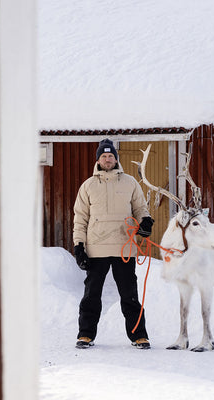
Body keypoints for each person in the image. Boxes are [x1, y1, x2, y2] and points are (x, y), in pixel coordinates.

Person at [73, 139, 154, 350]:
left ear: (116, 159)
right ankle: (85, 335)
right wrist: (79, 246)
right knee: (92, 295)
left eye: (111, 156)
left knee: (129, 295)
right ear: (98, 159)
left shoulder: (129, 183)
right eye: (104, 156)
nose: (107, 159)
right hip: (96, 248)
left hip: (124, 247)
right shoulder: (88, 186)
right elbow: (80, 218)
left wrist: (145, 222)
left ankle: (139, 335)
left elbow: (140, 209)